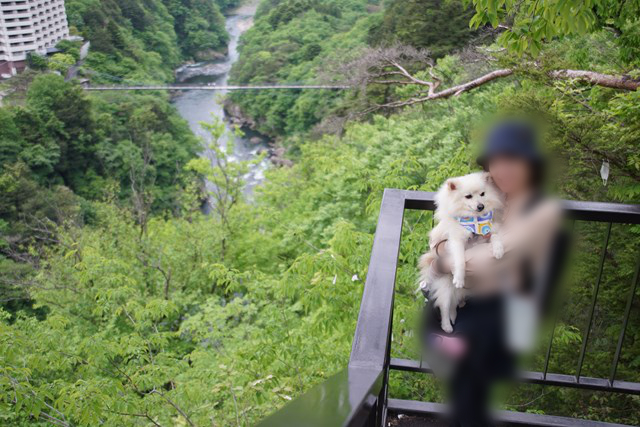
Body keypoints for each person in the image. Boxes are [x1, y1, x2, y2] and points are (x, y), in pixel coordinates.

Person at [422, 121, 562, 427]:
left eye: (512, 160)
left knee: (469, 386)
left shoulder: (538, 210)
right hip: (470, 302)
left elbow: (478, 265)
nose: (503, 169)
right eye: (497, 161)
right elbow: (439, 236)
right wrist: (445, 252)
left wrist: (440, 263)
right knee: (465, 392)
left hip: (504, 308)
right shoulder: (487, 194)